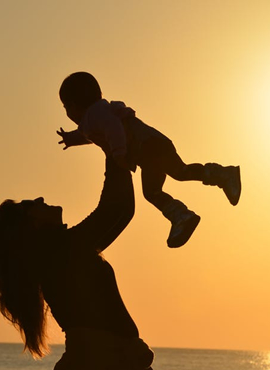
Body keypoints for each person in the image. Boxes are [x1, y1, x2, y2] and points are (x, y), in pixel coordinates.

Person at [0, 154, 160, 370]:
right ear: (32, 228)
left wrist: (117, 153)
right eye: (31, 207)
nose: (40, 198)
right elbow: (115, 209)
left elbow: (122, 212)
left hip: (105, 367)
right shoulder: (63, 251)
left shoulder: (67, 251)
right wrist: (112, 147)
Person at [57, 71, 241, 248]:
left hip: (149, 147)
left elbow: (113, 128)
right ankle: (195, 202)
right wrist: (71, 139)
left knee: (167, 181)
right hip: (150, 149)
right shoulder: (96, 116)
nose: (67, 113)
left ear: (74, 105)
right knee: (172, 178)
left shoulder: (95, 115)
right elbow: (88, 134)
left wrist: (119, 153)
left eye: (66, 107)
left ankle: (188, 210)